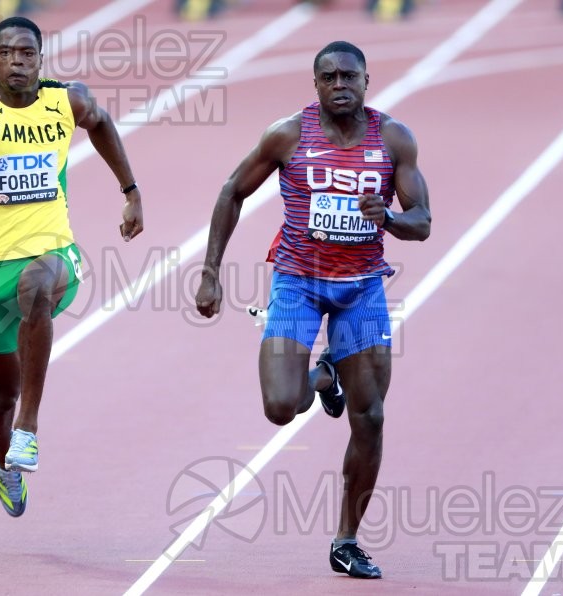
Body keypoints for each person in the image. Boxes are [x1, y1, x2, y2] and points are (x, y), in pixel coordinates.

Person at [195, 41, 430, 578]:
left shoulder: (392, 140)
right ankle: (325, 378)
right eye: (330, 77)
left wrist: (388, 219)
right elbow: (233, 190)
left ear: (367, 81)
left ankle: (346, 540)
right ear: (316, 84)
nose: (340, 85)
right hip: (298, 283)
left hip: (362, 289)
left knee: (369, 418)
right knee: (280, 405)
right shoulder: (287, 135)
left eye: (350, 76)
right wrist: (210, 271)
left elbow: (423, 222)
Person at [0, 16, 143, 517]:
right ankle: (5, 454)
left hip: (53, 252)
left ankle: (28, 427)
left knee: (38, 285)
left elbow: (102, 123)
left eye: (27, 53)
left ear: (41, 60)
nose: (17, 62)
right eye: (6, 53)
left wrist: (130, 191)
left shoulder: (64, 100)